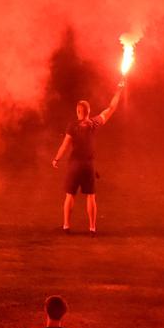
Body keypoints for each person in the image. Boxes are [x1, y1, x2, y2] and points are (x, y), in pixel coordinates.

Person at [52, 82, 125, 234]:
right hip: (89, 166)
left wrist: (56, 159)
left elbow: (65, 146)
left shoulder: (72, 126)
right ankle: (92, 228)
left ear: (79, 111)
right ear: (89, 111)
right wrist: (119, 90)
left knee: (69, 195)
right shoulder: (95, 123)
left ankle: (66, 226)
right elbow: (111, 108)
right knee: (91, 196)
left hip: (74, 166)